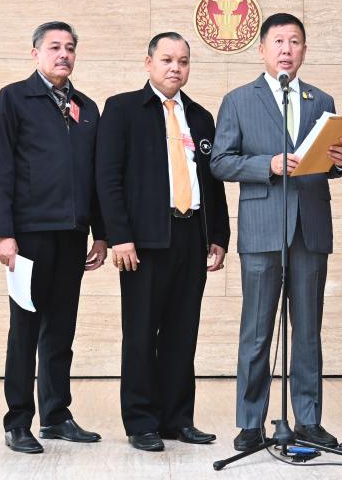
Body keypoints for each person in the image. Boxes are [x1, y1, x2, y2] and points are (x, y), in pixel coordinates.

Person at [210, 12, 342, 451]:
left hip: (310, 229)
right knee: (257, 332)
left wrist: (341, 161)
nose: (286, 49)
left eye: (294, 42)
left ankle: (308, 419)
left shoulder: (321, 99)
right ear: (262, 50)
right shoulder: (238, 100)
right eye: (278, 41)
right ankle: (251, 423)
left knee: (307, 331)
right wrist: (266, 165)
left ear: (304, 50)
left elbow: (328, 165)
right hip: (262, 228)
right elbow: (220, 161)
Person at [97, 32, 230, 452]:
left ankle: (178, 419)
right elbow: (108, 178)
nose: (176, 67)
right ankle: (141, 421)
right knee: (140, 333)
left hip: (191, 235)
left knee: (182, 332)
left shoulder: (200, 116)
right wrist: (119, 237)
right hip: (144, 241)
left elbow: (213, 182)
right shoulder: (122, 110)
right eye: (168, 59)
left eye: (183, 61)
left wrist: (219, 235)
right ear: (149, 63)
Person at [0, 21, 107, 454]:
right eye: (54, 47)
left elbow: (96, 176)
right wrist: (3, 233)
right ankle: (18, 421)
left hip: (72, 235)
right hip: (29, 236)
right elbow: (0, 167)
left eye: (70, 48)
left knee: (61, 331)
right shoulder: (14, 98)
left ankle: (56, 416)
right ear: (35, 53)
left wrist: (101, 234)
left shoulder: (86, 107)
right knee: (25, 331)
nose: (63, 54)